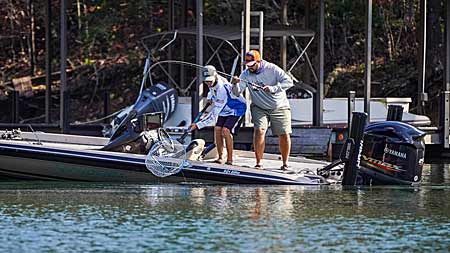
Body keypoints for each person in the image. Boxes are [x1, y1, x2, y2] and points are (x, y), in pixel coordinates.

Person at [232, 50, 293, 170]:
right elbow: (236, 92)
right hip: (259, 107)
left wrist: (273, 88)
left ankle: (285, 163)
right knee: (259, 131)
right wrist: (234, 84)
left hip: (279, 106)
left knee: (284, 134)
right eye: (247, 65)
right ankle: (259, 162)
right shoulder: (245, 74)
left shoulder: (272, 69)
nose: (249, 68)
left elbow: (289, 82)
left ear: (259, 62)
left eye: (252, 65)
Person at [190, 65, 246, 165]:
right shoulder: (215, 81)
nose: (208, 83)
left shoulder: (222, 89)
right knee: (217, 129)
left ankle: (229, 159)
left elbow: (213, 115)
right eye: (206, 81)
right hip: (224, 108)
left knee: (225, 130)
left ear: (215, 75)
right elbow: (212, 90)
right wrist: (210, 97)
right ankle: (220, 157)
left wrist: (197, 125)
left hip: (236, 108)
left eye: (210, 81)